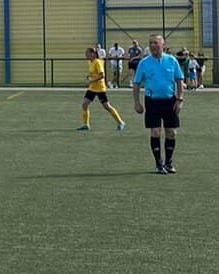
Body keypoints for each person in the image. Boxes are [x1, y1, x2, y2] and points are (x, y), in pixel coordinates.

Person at [132, 34, 185, 174]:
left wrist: (180, 99)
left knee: (171, 133)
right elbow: (136, 83)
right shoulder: (144, 63)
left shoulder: (172, 61)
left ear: (163, 45)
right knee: (155, 132)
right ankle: (158, 163)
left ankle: (169, 162)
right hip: (152, 101)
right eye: (150, 43)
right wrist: (137, 102)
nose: (152, 46)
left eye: (155, 43)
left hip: (170, 101)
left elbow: (179, 80)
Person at [77, 46, 126, 132]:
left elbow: (102, 75)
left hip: (100, 88)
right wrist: (89, 77)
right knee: (84, 104)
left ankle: (121, 122)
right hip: (92, 88)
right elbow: (93, 74)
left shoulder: (97, 62)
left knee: (107, 106)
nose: (86, 55)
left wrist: (91, 81)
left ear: (93, 54)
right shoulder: (90, 62)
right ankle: (86, 125)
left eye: (87, 53)